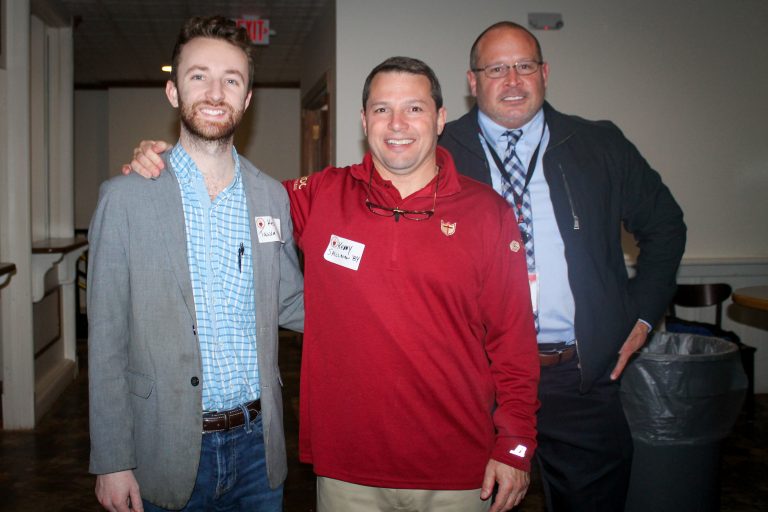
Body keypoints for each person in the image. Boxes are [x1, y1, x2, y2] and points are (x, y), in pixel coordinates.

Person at [124, 56, 540, 512]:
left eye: (415, 109)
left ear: (440, 118)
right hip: (347, 473)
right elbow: (233, 194)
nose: (397, 124)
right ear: (364, 121)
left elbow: (514, 345)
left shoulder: (489, 215)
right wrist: (171, 167)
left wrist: (515, 446)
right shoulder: (322, 195)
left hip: (459, 472)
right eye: (382, 109)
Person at [438, 21, 687, 510]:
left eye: (524, 66)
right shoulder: (439, 151)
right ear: (472, 82)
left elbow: (666, 227)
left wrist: (641, 314)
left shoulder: (599, 145)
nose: (512, 80)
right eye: (496, 69)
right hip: (474, 382)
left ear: (544, 73)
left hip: (578, 380)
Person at [88, 16, 304, 512]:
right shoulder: (125, 199)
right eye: (198, 76)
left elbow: (290, 300)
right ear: (172, 90)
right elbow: (105, 340)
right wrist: (111, 459)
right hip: (162, 448)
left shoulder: (271, 197)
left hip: (257, 450)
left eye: (232, 79)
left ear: (247, 98)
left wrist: (383, 308)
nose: (215, 91)